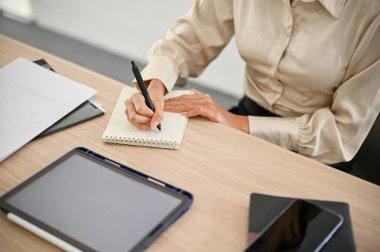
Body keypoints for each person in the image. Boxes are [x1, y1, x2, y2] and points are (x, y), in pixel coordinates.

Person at [125, 0, 380, 171]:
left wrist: (234, 122)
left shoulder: (371, 12)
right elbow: (187, 42)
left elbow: (342, 134)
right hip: (245, 115)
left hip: (319, 154)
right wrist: (155, 86)